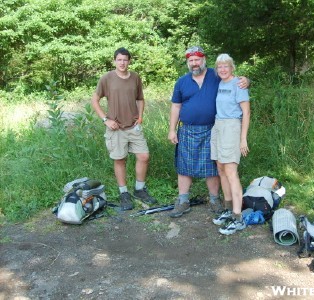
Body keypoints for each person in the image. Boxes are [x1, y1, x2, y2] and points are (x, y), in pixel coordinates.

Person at [168, 46, 249, 218]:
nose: (194, 63)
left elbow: (233, 79)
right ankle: (183, 201)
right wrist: (172, 129)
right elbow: (176, 106)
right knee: (184, 166)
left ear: (203, 60)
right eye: (191, 60)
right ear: (187, 63)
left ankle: (215, 200)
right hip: (187, 129)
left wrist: (246, 80)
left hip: (211, 129)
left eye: (197, 59)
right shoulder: (182, 81)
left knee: (212, 167)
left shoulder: (215, 75)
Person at [91, 47, 157, 210]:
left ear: (129, 61)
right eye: (119, 59)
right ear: (115, 61)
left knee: (143, 156)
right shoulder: (107, 78)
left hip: (133, 126)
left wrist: (140, 116)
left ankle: (139, 189)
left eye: (125, 60)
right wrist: (105, 119)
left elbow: (140, 99)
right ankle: (123, 193)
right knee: (120, 159)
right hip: (116, 127)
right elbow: (95, 100)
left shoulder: (135, 77)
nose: (122, 62)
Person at [211, 54, 250, 235]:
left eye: (226, 66)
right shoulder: (219, 83)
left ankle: (237, 217)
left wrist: (243, 139)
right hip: (218, 125)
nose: (223, 69)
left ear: (232, 67)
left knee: (231, 171)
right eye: (220, 67)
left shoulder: (238, 84)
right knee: (220, 167)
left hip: (232, 126)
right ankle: (228, 209)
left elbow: (246, 113)